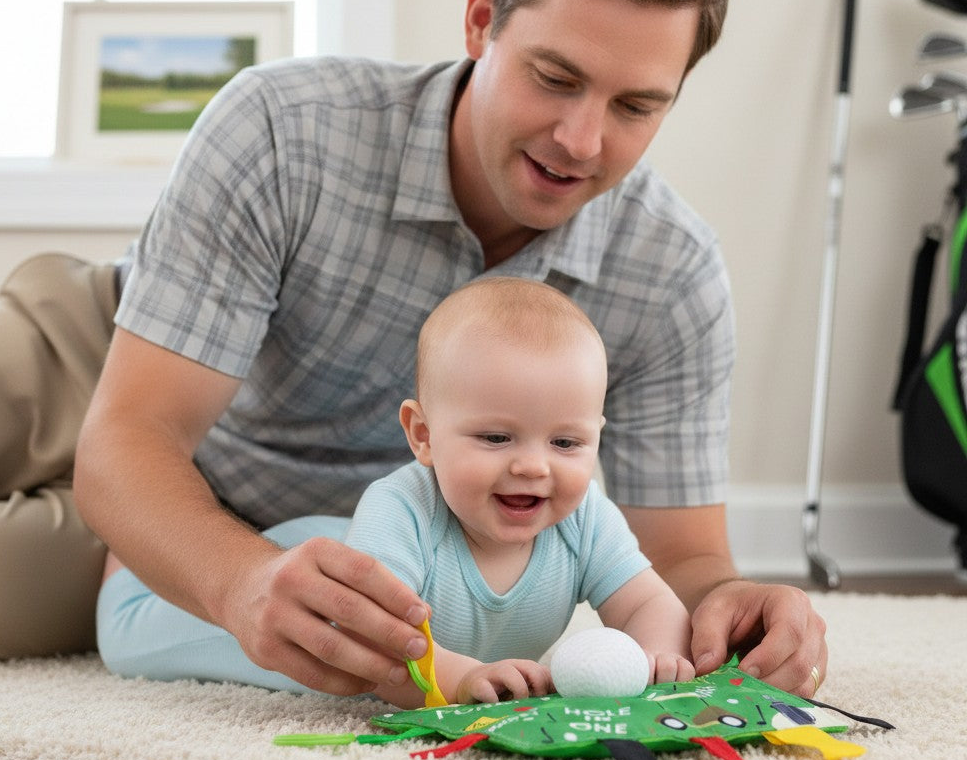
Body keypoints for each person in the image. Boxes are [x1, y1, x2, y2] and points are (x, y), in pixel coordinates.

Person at [0, 0, 827, 698]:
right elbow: (131, 435)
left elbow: (679, 560)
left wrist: (734, 607)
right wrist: (239, 585)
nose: (582, 140)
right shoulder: (284, 127)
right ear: (482, 20)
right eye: (555, 77)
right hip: (110, 359)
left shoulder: (671, 277)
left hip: (233, 528)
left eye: (637, 106)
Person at [96, 278, 696, 707]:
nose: (534, 467)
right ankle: (123, 565)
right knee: (132, 641)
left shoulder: (585, 515)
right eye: (495, 436)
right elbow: (376, 643)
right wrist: (463, 679)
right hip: (318, 581)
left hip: (343, 547)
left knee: (331, 551)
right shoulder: (402, 505)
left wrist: (656, 657)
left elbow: (650, 604)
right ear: (423, 435)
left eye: (567, 443)